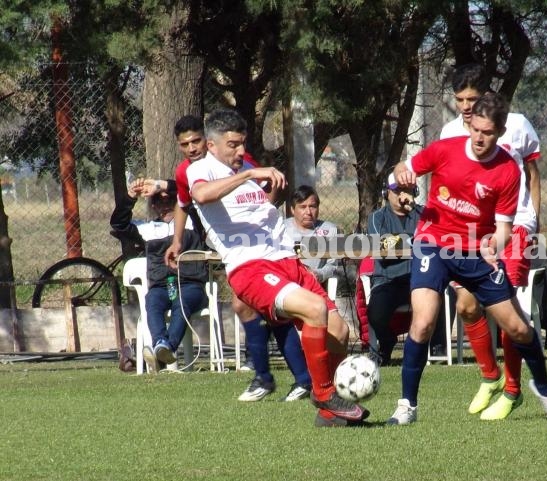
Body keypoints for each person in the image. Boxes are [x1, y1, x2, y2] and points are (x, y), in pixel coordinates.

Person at [387, 92, 547, 425]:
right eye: (476, 130)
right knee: (424, 320)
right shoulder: (444, 151)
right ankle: (406, 406)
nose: (480, 138)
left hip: (476, 254)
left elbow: (503, 229)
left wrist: (493, 246)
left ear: (500, 132)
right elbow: (400, 172)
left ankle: (544, 388)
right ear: (469, 123)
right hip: (433, 244)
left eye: (489, 133)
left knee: (516, 327)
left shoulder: (507, 172)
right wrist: (400, 176)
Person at [185, 108, 368, 427]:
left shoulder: (244, 171)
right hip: (251, 268)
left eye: (242, 143)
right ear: (212, 145)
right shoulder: (201, 170)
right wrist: (249, 175)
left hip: (286, 261)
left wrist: (271, 190)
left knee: (339, 331)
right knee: (314, 309)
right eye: (232, 145)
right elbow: (200, 194)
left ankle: (329, 414)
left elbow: (258, 211)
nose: (240, 151)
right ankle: (323, 393)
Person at [163, 115, 311, 402]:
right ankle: (277, 377)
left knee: (251, 306)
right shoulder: (189, 172)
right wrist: (177, 240)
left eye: (196, 142)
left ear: (209, 143)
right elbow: (185, 202)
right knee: (248, 307)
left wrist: (270, 191)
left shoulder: (240, 163)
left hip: (261, 250)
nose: (192, 148)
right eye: (186, 144)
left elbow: (261, 200)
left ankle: (282, 378)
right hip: (242, 249)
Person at [440, 63, 543, 420]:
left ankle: (513, 390)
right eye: (459, 100)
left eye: (472, 98)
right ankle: (490, 376)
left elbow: (531, 174)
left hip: (513, 228)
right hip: (468, 232)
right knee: (466, 305)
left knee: (507, 312)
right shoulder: (449, 133)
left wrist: (533, 221)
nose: (466, 106)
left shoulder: (516, 124)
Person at [110, 178, 208, 372]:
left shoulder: (193, 221)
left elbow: (190, 195)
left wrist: (161, 184)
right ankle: (161, 344)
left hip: (191, 284)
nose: (164, 205)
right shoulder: (147, 229)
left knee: (182, 302)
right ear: (153, 205)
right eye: (158, 201)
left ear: (177, 202)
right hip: (162, 286)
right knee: (152, 301)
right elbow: (118, 224)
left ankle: (164, 351)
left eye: (169, 200)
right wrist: (131, 196)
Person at [365, 173, 422, 365]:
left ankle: (437, 349)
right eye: (397, 190)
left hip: (419, 279)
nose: (402, 195)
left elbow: (439, 238)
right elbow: (381, 247)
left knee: (438, 297)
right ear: (386, 192)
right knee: (376, 314)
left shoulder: (422, 214)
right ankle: (387, 340)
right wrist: (415, 242)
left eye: (407, 190)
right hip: (388, 280)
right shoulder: (376, 217)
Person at [283, 185, 342, 285]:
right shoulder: (282, 228)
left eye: (312, 206)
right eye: (302, 207)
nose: (308, 212)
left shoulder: (329, 230)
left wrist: (319, 274)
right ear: (292, 210)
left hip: (314, 285)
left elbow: (333, 265)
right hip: (285, 283)